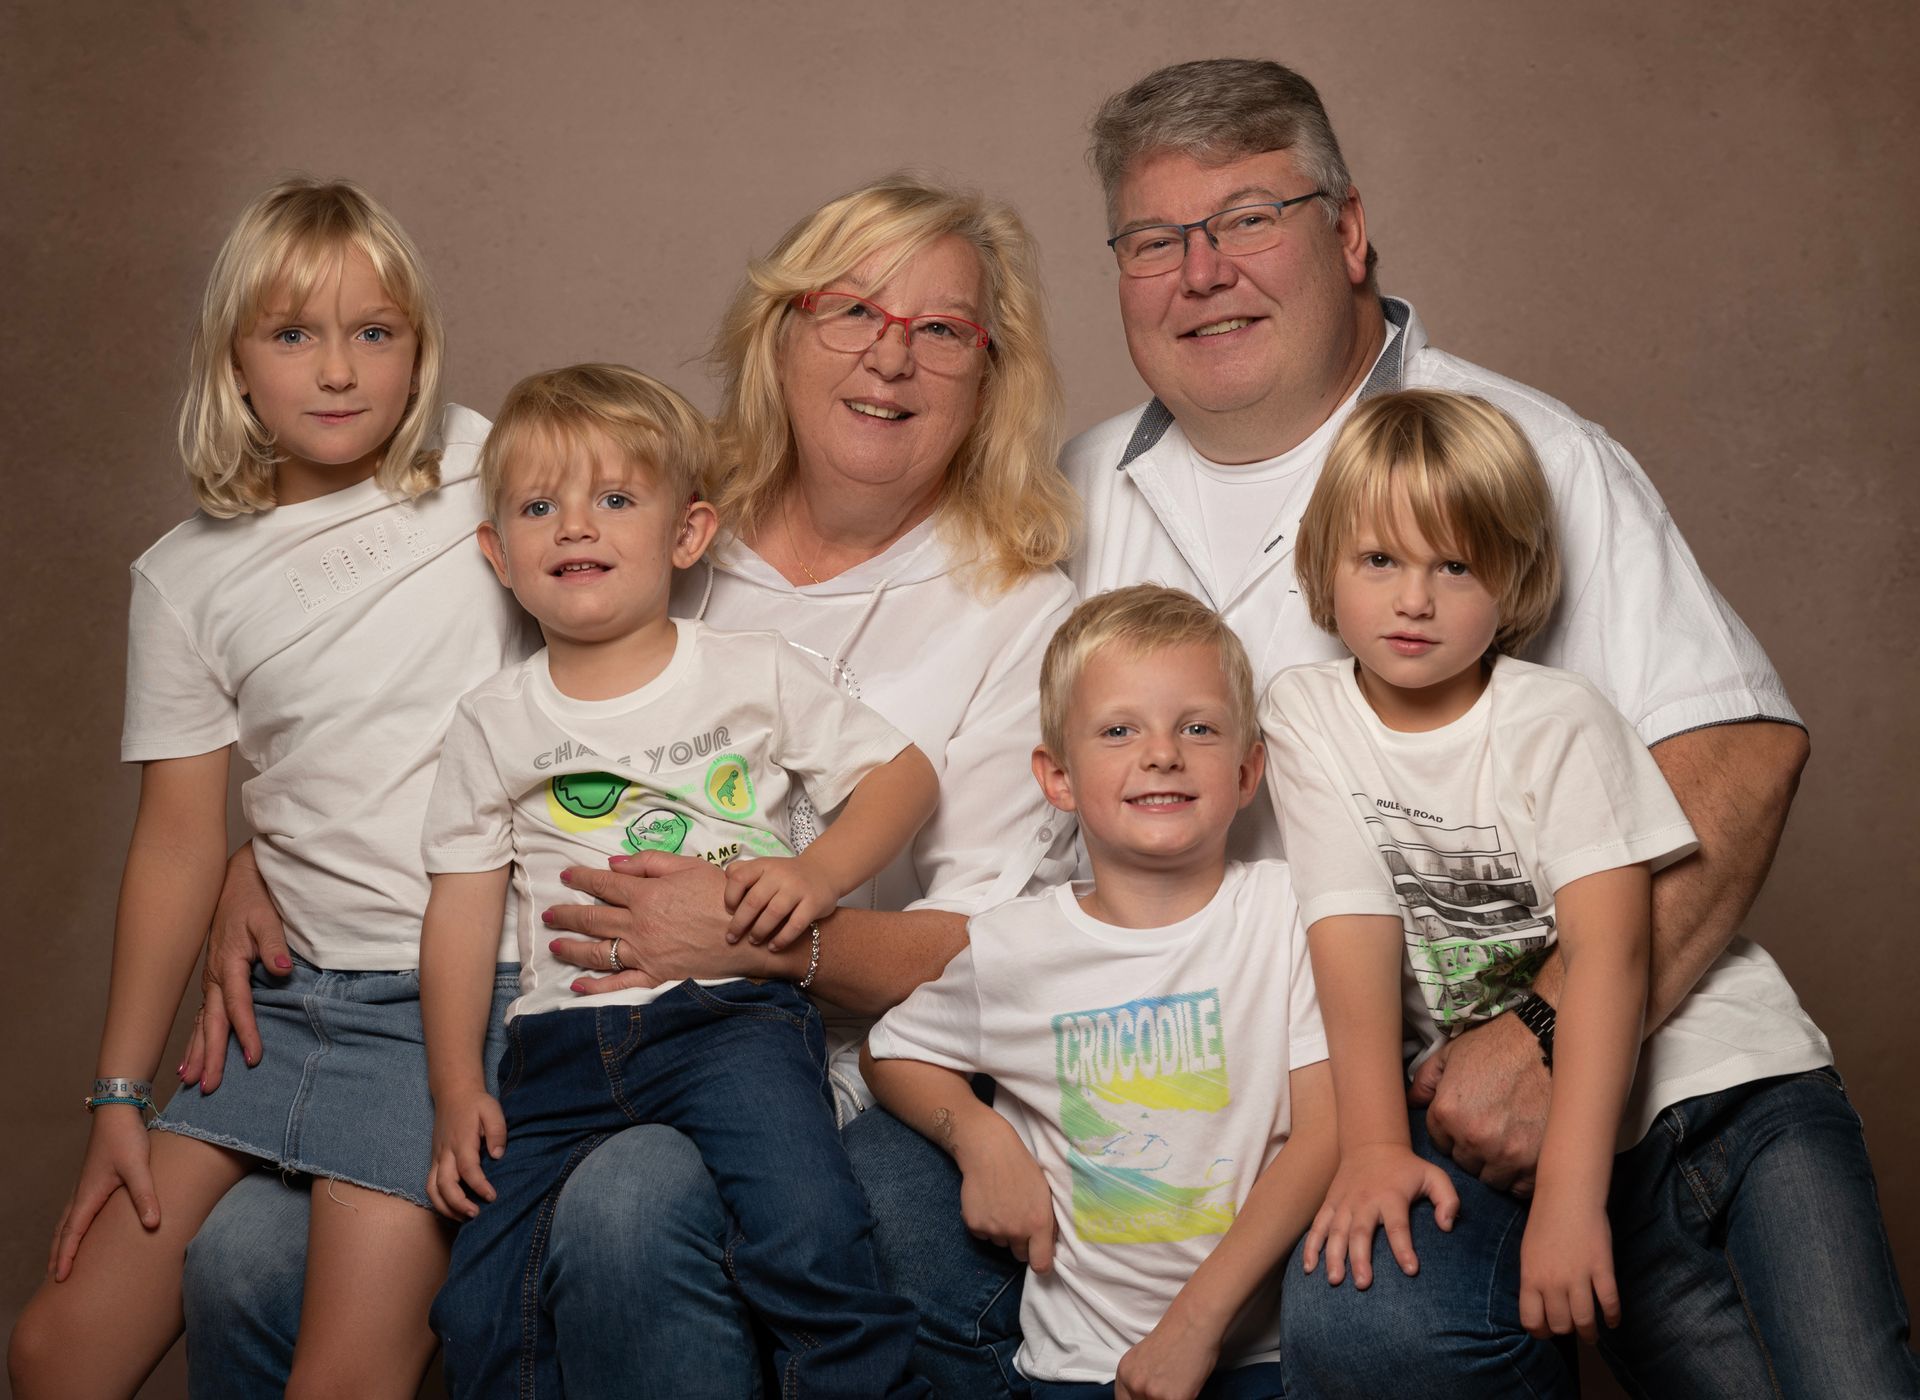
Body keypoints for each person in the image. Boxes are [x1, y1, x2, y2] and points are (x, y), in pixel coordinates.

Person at [1064, 57, 1914, 1398]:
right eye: (1155, 239)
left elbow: (1740, 753)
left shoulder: (1520, 447)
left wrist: (1548, 1035)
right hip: (1285, 1100)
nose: (1202, 270)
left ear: (1347, 232)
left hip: (1591, 1073)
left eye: (1247, 219)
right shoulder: (1073, 493)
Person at [178, 175, 1081, 1397]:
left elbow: (988, 948)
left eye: (942, 328)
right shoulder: (636, 517)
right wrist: (259, 854)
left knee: (629, 1201)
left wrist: (775, 936)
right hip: (542, 1024)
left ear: (991, 372)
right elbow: (432, 734)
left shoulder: (1017, 609)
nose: (890, 353)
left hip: (825, 1058)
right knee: (241, 1254)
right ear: (780, 331)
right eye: (851, 308)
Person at [8, 178, 530, 1399]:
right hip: (281, 1005)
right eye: (293, 334)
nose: (337, 369)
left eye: (375, 332)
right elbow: (180, 841)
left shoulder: (486, 466)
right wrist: (118, 1093)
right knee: (51, 1350)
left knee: (341, 1375)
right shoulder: (186, 578)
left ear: (418, 353)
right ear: (235, 364)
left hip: (444, 1006)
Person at [421, 363, 936, 1397]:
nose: (576, 526)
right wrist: (455, 1087)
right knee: (475, 1302)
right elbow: (461, 910)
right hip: (556, 1049)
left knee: (809, 1236)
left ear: (688, 534)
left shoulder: (749, 669)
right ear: (498, 555)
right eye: (539, 506)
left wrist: (816, 870)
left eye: (615, 499)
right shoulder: (493, 719)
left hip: (729, 1024)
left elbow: (903, 775)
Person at [1265, 389, 1699, 1341]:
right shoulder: (1305, 713)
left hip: (1707, 1086)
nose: (1413, 600)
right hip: (1489, 1110)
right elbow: (1350, 928)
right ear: (1326, 561)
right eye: (1379, 559)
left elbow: (1610, 957)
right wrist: (1376, 1145)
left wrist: (1569, 1203)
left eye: (1455, 566)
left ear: (1510, 580)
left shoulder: (1561, 719)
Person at [865, 584, 1337, 1400]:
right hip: (1074, 1369)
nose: (1162, 753)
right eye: (1120, 730)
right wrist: (980, 1138)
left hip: (1257, 1356)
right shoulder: (1014, 947)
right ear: (1057, 777)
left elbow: (1325, 1134)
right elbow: (890, 1051)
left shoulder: (1285, 916)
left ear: (1248, 768)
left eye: (1197, 727)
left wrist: (1197, 1324)